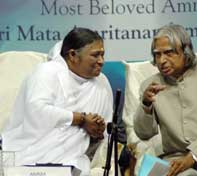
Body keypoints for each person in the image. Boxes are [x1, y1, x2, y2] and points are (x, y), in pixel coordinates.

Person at [1, 27, 113, 176]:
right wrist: (81, 119)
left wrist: (97, 131)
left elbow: (104, 133)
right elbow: (37, 111)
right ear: (72, 55)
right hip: (28, 157)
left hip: (73, 163)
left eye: (102, 55)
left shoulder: (102, 84)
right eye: (95, 55)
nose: (101, 61)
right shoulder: (47, 72)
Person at [133, 24, 197, 176]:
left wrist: (192, 157)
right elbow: (144, 134)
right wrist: (146, 105)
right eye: (157, 54)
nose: (162, 60)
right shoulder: (150, 86)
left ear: (186, 52)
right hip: (173, 160)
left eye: (169, 53)